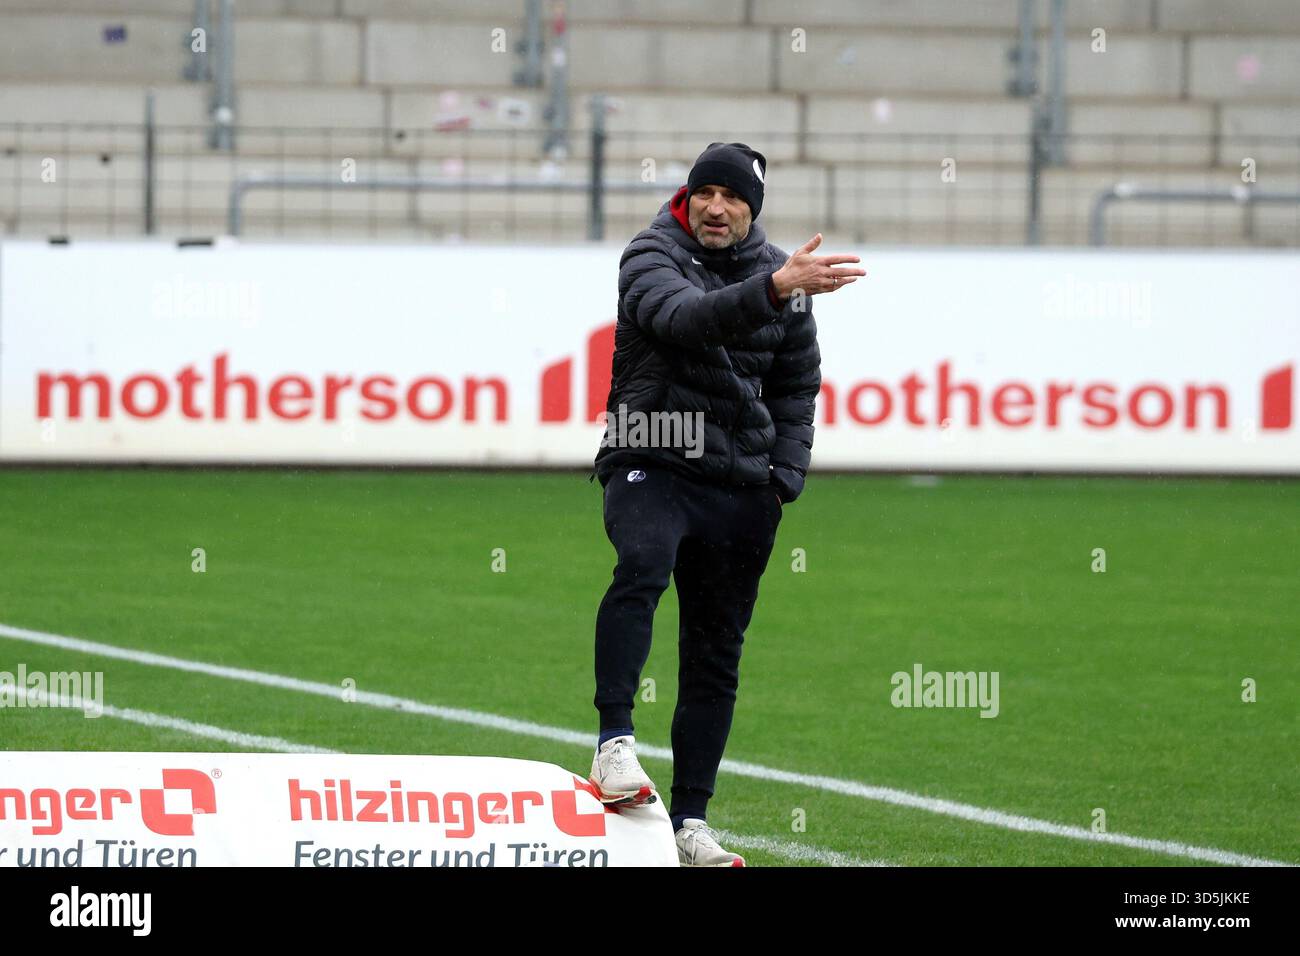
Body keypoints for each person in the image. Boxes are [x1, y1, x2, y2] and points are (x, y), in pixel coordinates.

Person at [587, 141, 864, 866]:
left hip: (741, 484)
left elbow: (797, 385)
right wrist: (776, 287)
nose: (716, 207)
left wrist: (782, 479)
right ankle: (614, 745)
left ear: (752, 209)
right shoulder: (651, 254)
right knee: (641, 566)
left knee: (715, 653)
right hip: (650, 451)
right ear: (688, 196)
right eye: (705, 192)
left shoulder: (784, 277)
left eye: (733, 196)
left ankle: (690, 824)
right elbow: (684, 319)